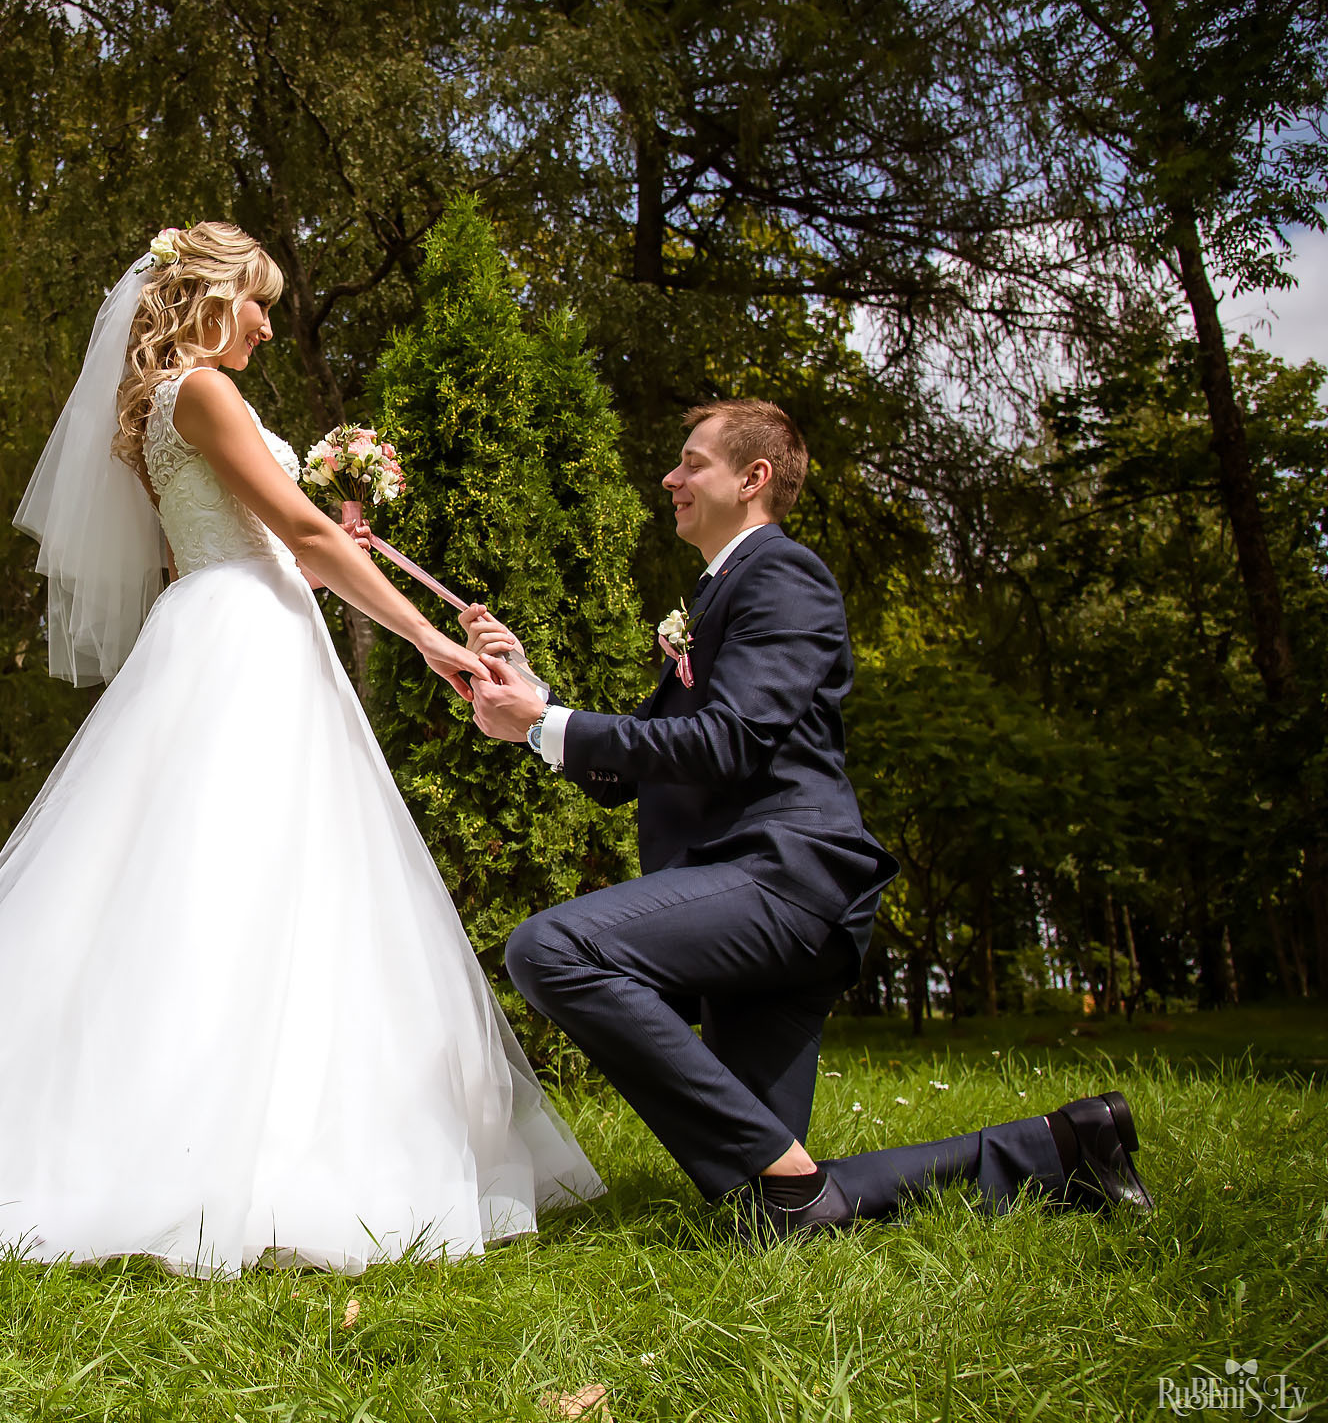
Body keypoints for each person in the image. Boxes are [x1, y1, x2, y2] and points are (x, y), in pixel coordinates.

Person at [0, 223, 602, 1276]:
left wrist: (340, 550)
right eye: (259, 302)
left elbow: (271, 539)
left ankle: (273, 1138)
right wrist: (430, 641)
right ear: (212, 296)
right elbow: (304, 539)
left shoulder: (162, 404)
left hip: (238, 625)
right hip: (246, 639)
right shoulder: (201, 390)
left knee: (269, 880)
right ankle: (222, 1149)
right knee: (237, 884)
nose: (269, 325)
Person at [462, 399, 1150, 1239]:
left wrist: (544, 721)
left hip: (783, 880)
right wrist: (533, 698)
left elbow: (730, 741)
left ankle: (797, 1181)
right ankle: (1065, 1145)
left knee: (551, 949)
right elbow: (636, 770)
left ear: (753, 478)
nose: (671, 478)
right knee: (768, 1207)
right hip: (748, 892)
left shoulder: (781, 575)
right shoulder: (721, 593)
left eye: (693, 462)